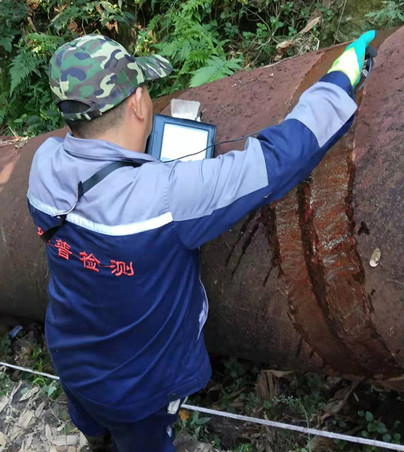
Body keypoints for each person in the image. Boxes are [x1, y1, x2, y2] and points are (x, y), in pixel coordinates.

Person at [27, 31, 376, 451]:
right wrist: (339, 80)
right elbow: (279, 158)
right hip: (138, 394)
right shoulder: (167, 195)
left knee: (97, 435)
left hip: (71, 362)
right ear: (138, 103)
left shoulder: (43, 166)